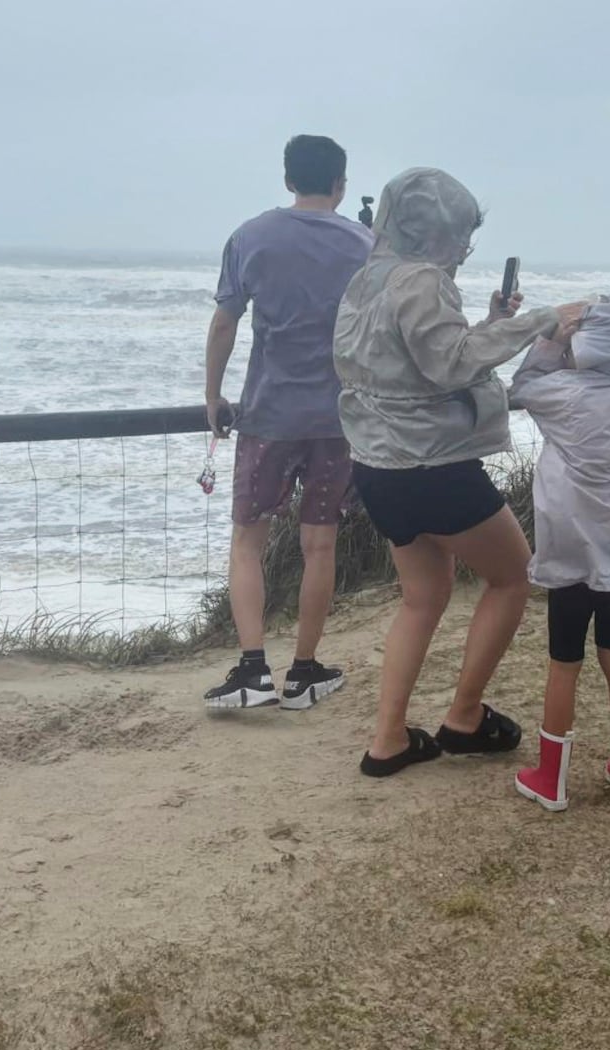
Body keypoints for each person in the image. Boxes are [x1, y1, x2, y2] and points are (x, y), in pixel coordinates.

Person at [333, 167, 590, 777]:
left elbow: (419, 359)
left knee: (423, 599)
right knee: (513, 577)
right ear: (441, 231)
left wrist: (492, 323)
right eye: (460, 236)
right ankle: (465, 717)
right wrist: (538, 321)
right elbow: (450, 367)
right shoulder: (424, 280)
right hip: (433, 468)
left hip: (376, 465)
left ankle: (388, 739)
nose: (463, 249)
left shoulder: (369, 278)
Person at [201, 135, 373, 712]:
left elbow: (225, 322)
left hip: (269, 414)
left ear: (287, 179)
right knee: (318, 545)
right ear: (340, 184)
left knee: (248, 541)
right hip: (337, 417)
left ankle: (253, 670)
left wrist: (211, 396)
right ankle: (303, 672)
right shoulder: (365, 244)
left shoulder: (251, 236)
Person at [509, 295, 610, 812]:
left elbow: (521, 385)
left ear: (585, 347)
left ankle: (552, 777)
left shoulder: (563, 393)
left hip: (573, 544)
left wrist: (551, 336)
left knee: (564, 663)